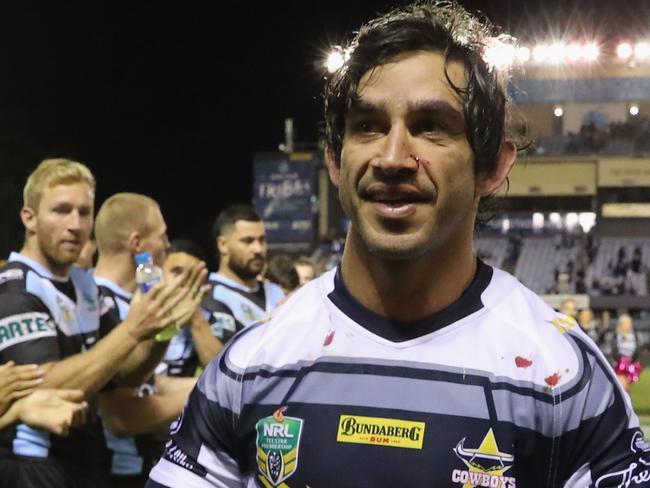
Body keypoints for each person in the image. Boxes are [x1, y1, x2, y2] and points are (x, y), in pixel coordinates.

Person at [147, 3, 649, 487]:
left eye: (431, 127)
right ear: (335, 162)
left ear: (492, 166)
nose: (392, 157)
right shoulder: (252, 364)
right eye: (367, 126)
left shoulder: (563, 376)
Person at [0, 159, 202, 488]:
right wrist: (132, 329)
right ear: (30, 218)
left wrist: (161, 329)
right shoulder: (16, 287)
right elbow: (43, 385)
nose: (76, 225)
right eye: (61, 211)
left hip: (85, 463)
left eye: (84, 212)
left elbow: (125, 374)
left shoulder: (84, 283)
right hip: (32, 466)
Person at [93, 193, 206, 487]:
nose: (168, 245)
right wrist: (207, 396)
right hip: (114, 472)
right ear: (137, 244)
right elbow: (122, 418)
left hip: (142, 465)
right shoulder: (100, 304)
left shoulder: (132, 302)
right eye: (163, 236)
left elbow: (148, 383)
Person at [202, 204, 284, 343]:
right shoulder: (209, 295)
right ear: (222, 244)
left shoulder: (276, 293)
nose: (258, 249)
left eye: (262, 240)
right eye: (248, 241)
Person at [158, 239, 224, 378]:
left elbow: (221, 376)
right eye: (176, 272)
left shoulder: (209, 319)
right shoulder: (139, 312)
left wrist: (195, 317)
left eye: (193, 275)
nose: (183, 281)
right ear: (159, 273)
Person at [613, 312, 643, 394]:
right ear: (621, 324)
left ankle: (626, 404)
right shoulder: (616, 335)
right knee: (622, 386)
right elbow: (613, 350)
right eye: (625, 323)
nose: (628, 325)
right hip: (620, 364)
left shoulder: (635, 335)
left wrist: (632, 358)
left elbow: (638, 349)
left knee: (628, 388)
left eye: (629, 323)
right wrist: (622, 358)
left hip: (632, 364)